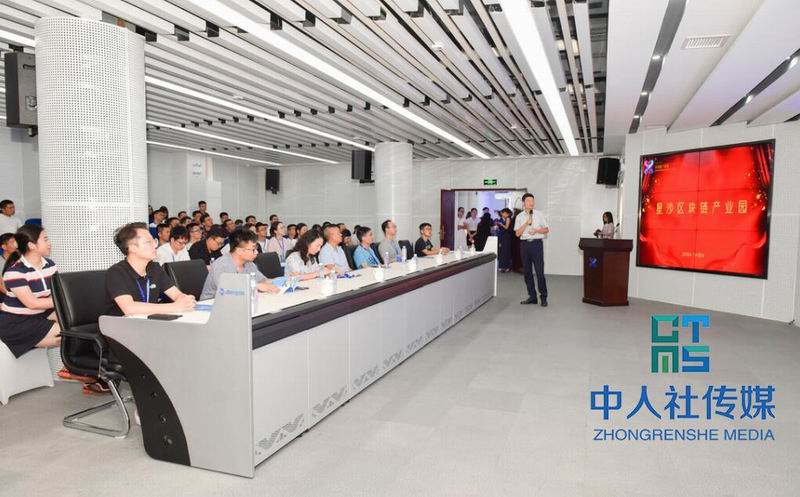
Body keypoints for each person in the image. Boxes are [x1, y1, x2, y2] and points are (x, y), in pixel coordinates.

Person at [106, 223, 196, 317]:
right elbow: (130, 309)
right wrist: (174, 307)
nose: (155, 246)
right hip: (121, 323)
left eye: (154, 241)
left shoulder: (155, 268)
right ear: (132, 248)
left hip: (149, 321)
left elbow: (176, 294)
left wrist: (185, 300)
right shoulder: (116, 272)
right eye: (148, 242)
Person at [0, 225, 61, 358]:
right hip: (17, 322)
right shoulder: (14, 272)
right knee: (71, 334)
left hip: (41, 314)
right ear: (31, 245)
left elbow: (56, 293)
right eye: (45, 239)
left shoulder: (50, 265)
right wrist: (65, 300)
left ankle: (75, 368)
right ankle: (74, 367)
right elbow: (33, 304)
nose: (49, 243)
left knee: (80, 324)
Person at [200, 230, 280, 300]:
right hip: (212, 304)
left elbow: (262, 280)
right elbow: (229, 290)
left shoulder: (249, 264)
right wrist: (256, 286)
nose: (256, 252)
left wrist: (278, 281)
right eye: (253, 249)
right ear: (239, 251)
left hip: (239, 302)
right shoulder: (221, 264)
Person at [515, 193, 549, 307]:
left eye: (532, 200)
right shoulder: (519, 217)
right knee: (527, 272)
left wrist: (537, 231)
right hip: (524, 245)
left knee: (539, 272)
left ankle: (543, 297)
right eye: (529, 200)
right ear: (523, 202)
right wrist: (526, 223)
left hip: (536, 245)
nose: (531, 203)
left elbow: (546, 229)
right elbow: (517, 233)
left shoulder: (539, 214)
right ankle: (532, 297)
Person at [497, 208, 513, 272]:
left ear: (507, 213)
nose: (502, 214)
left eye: (503, 213)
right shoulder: (503, 219)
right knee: (502, 251)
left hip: (506, 237)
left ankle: (506, 267)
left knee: (506, 252)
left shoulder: (508, 218)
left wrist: (501, 224)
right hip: (502, 237)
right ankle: (502, 266)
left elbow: (506, 227)